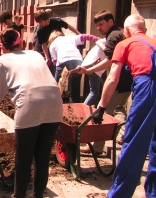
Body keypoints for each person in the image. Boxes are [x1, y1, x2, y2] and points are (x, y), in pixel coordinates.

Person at [0, 29, 62, 198]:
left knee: (24, 157)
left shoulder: (2, 61)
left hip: (30, 102)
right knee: (42, 156)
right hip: (55, 101)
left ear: (1, 47)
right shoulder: (35, 54)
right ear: (20, 44)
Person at [93, 14, 156, 198]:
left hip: (148, 88)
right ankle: (155, 197)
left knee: (134, 143)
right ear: (144, 30)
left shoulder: (125, 43)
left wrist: (101, 107)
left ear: (127, 30)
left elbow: (112, 78)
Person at [72, 10, 132, 153]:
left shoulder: (112, 36)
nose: (98, 28)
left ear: (110, 22)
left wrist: (89, 70)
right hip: (127, 81)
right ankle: (125, 136)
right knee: (118, 110)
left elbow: (109, 61)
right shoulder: (120, 33)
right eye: (97, 25)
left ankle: (97, 147)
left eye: (101, 24)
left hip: (118, 82)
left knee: (102, 113)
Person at [48, 31, 99, 103]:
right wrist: (98, 40)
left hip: (63, 61)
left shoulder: (52, 44)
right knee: (75, 86)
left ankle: (54, 102)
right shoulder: (70, 38)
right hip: (77, 61)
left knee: (56, 85)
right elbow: (85, 36)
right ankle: (74, 105)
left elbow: (54, 61)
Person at [34, 9, 80, 75]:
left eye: (40, 22)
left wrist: (78, 33)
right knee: (53, 71)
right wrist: (47, 58)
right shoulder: (40, 30)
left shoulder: (56, 21)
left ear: (45, 19)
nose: (39, 24)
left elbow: (68, 26)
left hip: (61, 49)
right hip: (51, 52)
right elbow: (43, 44)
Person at [82, 38, 107, 107]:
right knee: (94, 92)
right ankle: (83, 108)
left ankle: (96, 109)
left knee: (100, 89)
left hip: (94, 67)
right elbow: (98, 41)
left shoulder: (107, 41)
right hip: (94, 67)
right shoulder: (107, 41)